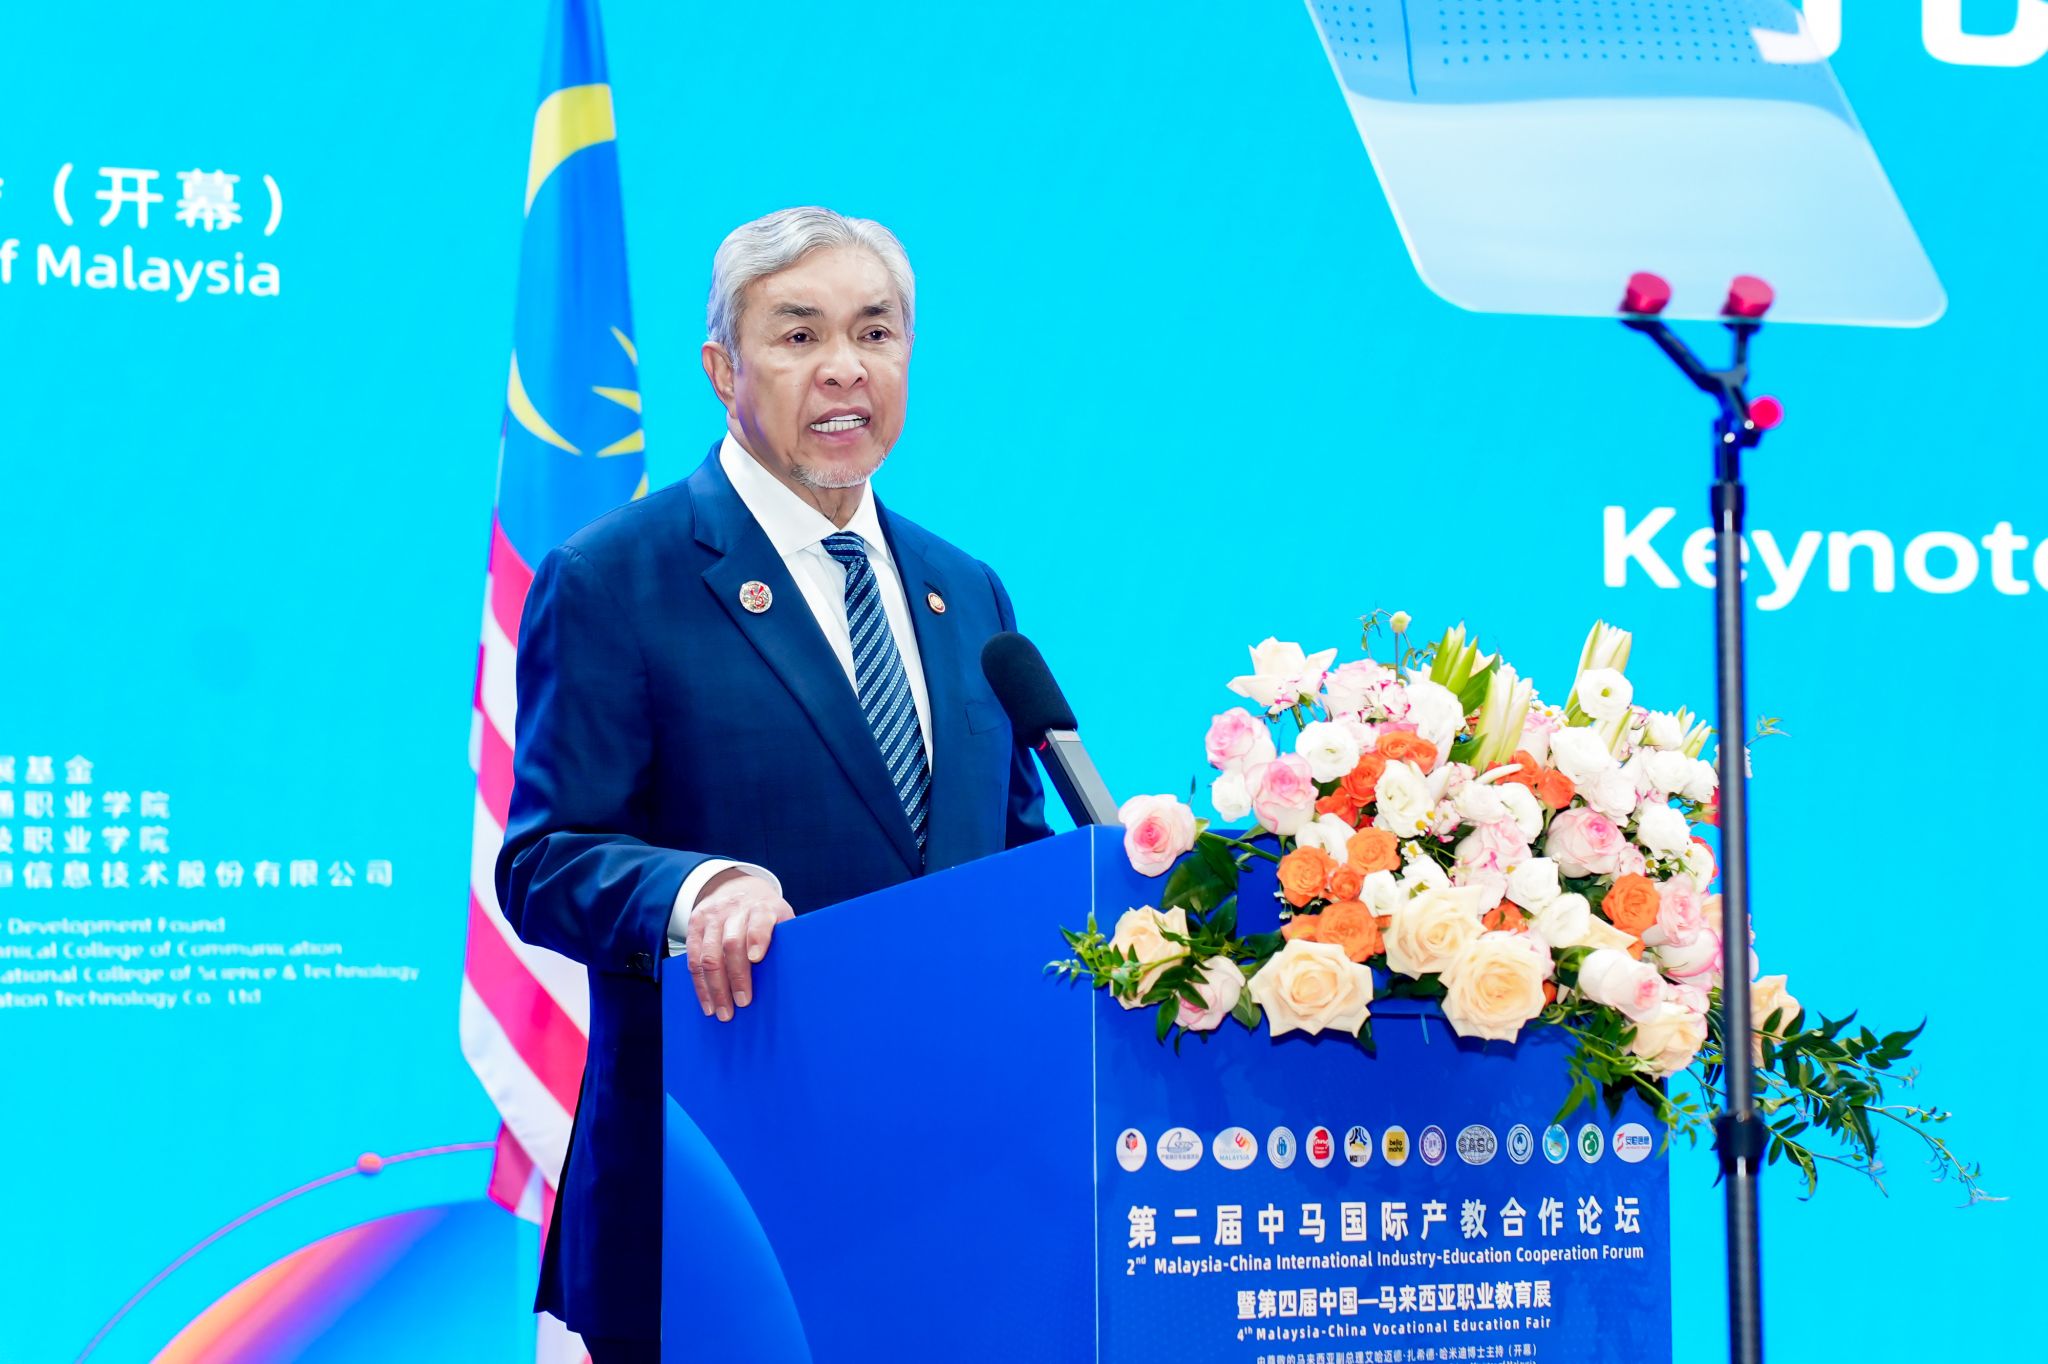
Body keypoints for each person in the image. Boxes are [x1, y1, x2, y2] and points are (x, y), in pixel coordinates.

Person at [496, 206, 1051, 1363]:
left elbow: (1012, 859)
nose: (844, 368)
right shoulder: (616, 576)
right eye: (799, 336)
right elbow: (544, 861)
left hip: (956, 1192)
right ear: (722, 369)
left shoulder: (967, 590)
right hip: (722, 1193)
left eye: (874, 332)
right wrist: (697, 889)